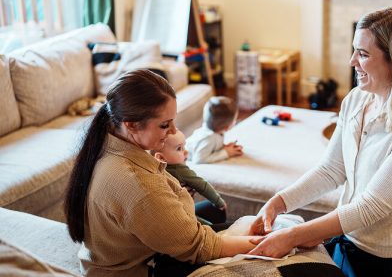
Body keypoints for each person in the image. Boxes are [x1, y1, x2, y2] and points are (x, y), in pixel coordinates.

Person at [248, 7, 392, 277]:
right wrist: (278, 202)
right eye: (354, 50)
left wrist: (294, 235)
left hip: (387, 264)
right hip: (344, 245)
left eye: (363, 54)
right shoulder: (355, 99)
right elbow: (331, 169)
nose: (352, 61)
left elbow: (369, 208)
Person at [64, 69, 259, 277]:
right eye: (165, 125)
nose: (174, 131)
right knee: (247, 237)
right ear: (131, 125)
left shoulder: (105, 140)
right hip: (140, 269)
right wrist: (262, 244)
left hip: (118, 250)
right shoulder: (136, 184)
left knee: (216, 213)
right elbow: (199, 247)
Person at [152, 130, 227, 225]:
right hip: (183, 215)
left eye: (184, 146)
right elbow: (202, 185)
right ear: (161, 158)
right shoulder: (179, 170)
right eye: (179, 148)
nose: (186, 152)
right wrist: (218, 201)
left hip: (177, 213)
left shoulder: (155, 169)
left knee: (209, 207)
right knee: (210, 225)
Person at [186, 96, 243, 164]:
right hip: (183, 157)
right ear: (227, 127)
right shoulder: (208, 139)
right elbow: (198, 159)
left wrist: (223, 147)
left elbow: (213, 146)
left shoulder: (217, 131)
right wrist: (226, 152)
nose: (236, 121)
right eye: (235, 120)